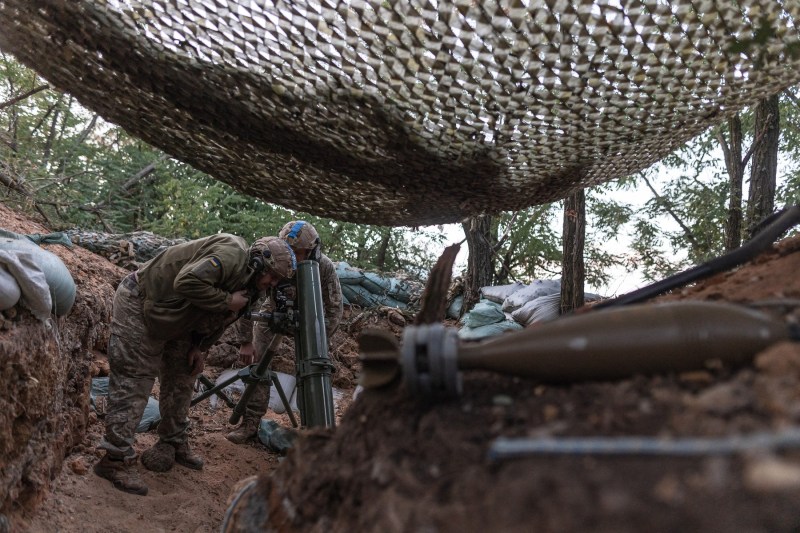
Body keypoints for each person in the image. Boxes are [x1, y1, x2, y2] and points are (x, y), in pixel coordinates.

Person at [94, 234, 296, 496]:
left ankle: (173, 441)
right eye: (273, 276)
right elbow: (186, 281)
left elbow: (221, 319)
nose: (273, 283)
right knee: (136, 379)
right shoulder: (231, 254)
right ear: (258, 263)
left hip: (178, 318)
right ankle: (114, 459)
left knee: (184, 376)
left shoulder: (253, 287)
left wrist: (199, 347)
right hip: (141, 302)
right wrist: (227, 300)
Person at [226, 220, 343, 444]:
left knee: (311, 371)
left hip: (310, 318)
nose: (291, 257)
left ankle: (313, 430)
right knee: (257, 367)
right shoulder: (276, 258)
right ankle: (250, 423)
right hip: (273, 313)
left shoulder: (324, 268)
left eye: (296, 253)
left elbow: (335, 309)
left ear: (311, 251)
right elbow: (247, 300)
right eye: (288, 251)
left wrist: (317, 338)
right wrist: (245, 341)